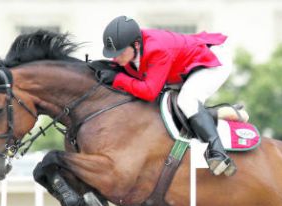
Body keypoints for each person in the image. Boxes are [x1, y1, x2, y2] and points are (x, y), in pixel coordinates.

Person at [98, 15, 237, 176]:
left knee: (187, 100)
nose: (116, 58)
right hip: (184, 69)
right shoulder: (133, 49)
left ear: (136, 45)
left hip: (213, 61)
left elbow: (150, 92)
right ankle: (219, 113)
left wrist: (118, 79)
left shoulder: (157, 49)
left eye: (120, 53)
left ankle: (218, 153)